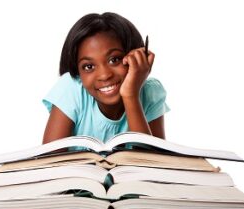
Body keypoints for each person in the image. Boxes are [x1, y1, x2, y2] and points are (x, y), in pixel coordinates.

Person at [42, 12, 170, 145]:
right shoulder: (71, 89)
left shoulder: (150, 92)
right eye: (89, 66)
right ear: (78, 72)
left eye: (114, 59)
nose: (104, 75)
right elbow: (50, 162)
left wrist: (131, 95)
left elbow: (154, 162)